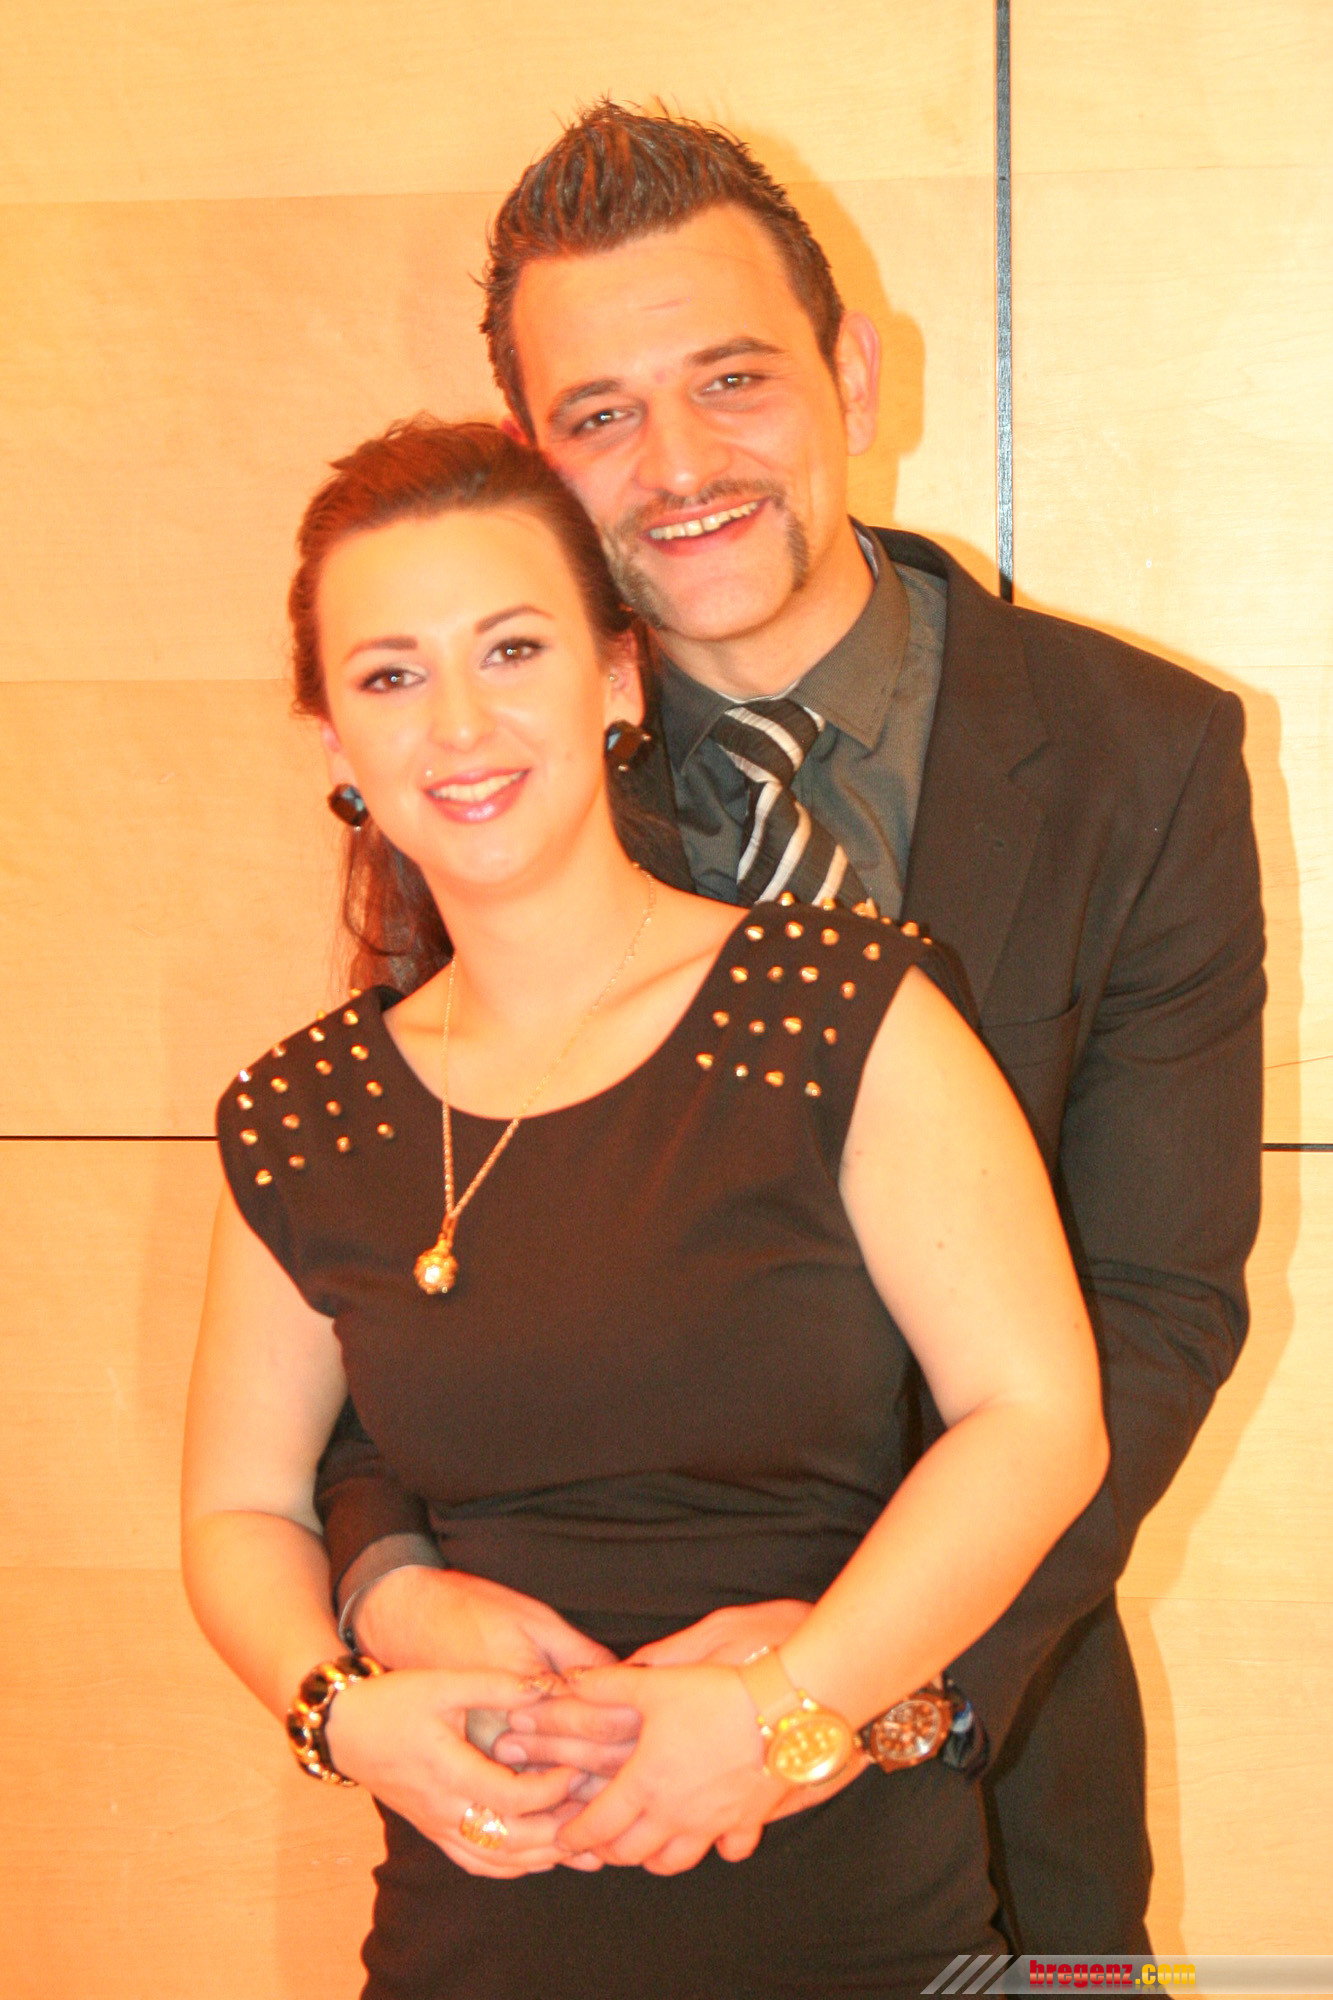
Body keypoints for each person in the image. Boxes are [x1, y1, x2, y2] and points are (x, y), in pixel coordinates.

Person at [312, 105, 1267, 1952]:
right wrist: (390, 1588)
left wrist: (845, 1689)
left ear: (853, 371)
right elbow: (386, 1273)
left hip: (996, 1768)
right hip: (565, 1792)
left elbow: (1155, 1311)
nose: (679, 465)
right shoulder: (484, 765)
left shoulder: (1140, 758)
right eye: (600, 415)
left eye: (732, 379)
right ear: (535, 457)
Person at [181, 416, 1108, 1999]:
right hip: (469, 1943)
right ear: (334, 742)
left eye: (512, 650)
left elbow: (1035, 1420)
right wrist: (343, 1712)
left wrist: (782, 1713)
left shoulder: (836, 1009)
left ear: (618, 679)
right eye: (391, 676)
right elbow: (241, 1510)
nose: (457, 723)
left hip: (853, 1919)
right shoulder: (303, 1112)